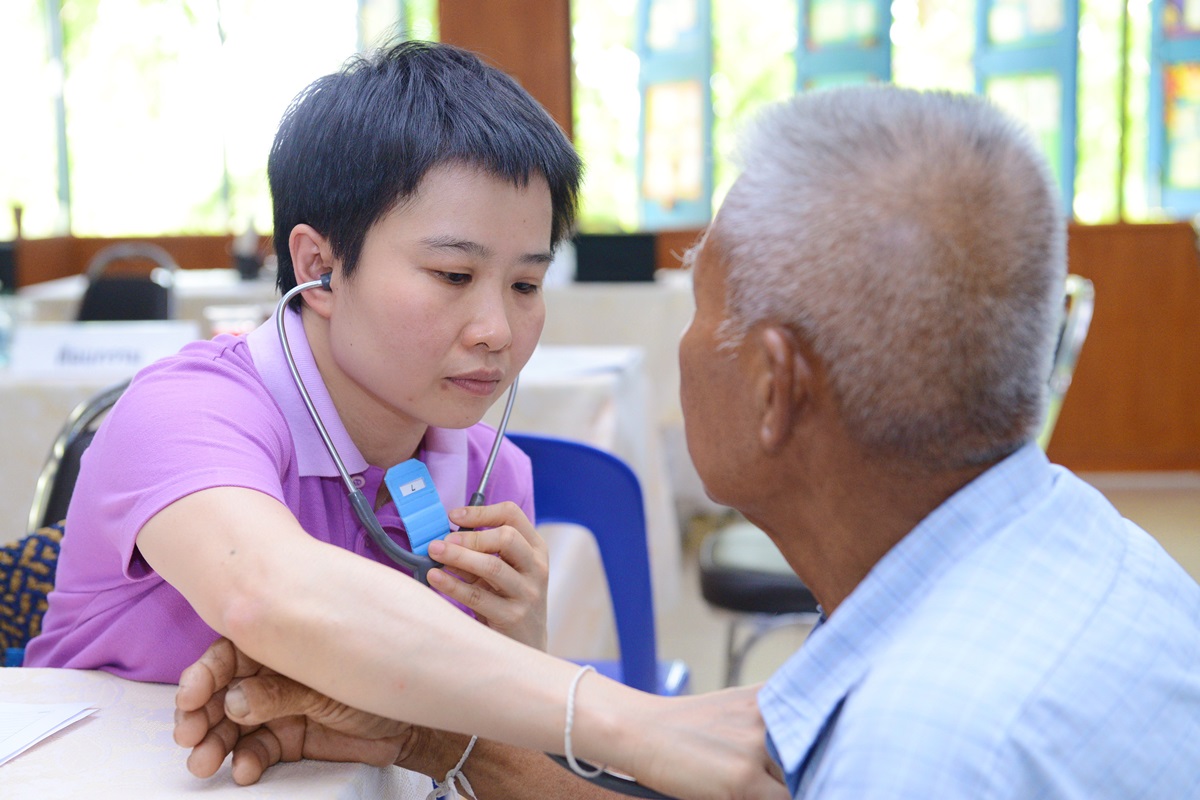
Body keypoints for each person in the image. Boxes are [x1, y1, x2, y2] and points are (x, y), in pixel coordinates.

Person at [177, 83, 1200, 799]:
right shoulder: (1092, 551)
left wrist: (605, 719)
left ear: (771, 384)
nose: (496, 325)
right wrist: (435, 732)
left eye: (699, 302)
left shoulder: (927, 747)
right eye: (453, 274)